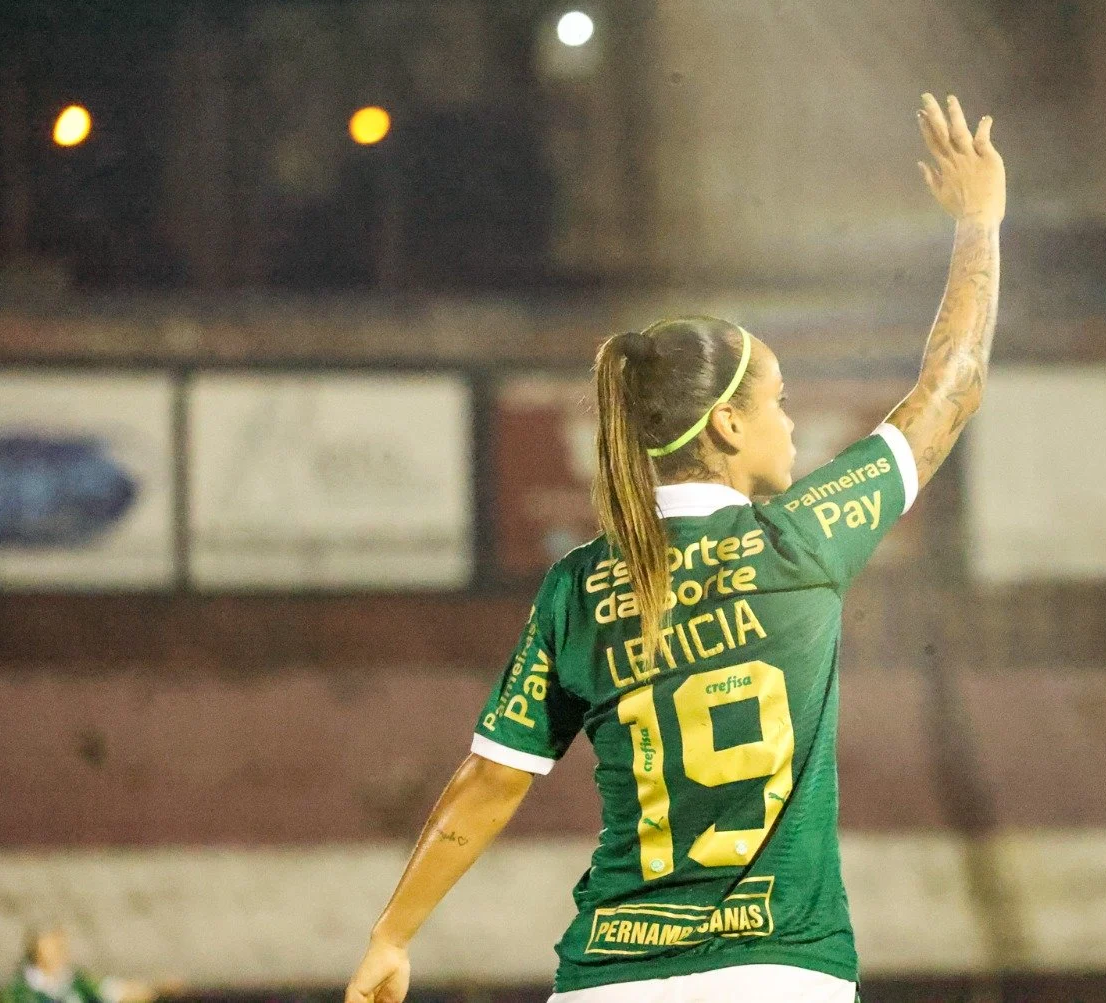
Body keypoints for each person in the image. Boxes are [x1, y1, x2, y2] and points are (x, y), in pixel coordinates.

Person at [343, 92, 1004, 1003]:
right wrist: (979, 221)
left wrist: (392, 934)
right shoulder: (801, 539)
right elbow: (952, 386)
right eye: (776, 399)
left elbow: (491, 778)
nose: (791, 418)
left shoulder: (577, 588)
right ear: (728, 424)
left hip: (610, 980)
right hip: (781, 972)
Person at [1, 927, 160, 1003]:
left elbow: (117, 990)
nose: (62, 953)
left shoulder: (79, 983)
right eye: (55, 948)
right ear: (37, 951)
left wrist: (156, 988)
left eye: (62, 947)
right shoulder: (17, 994)